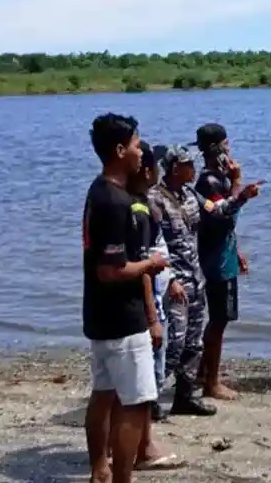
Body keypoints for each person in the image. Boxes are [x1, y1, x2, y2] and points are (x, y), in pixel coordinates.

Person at [81, 113, 167, 483]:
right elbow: (110, 270)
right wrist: (151, 263)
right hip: (122, 318)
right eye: (135, 144)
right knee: (133, 404)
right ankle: (121, 478)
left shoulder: (98, 190)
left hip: (99, 316)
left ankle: (100, 470)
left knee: (103, 394)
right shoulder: (115, 201)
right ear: (119, 150)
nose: (139, 151)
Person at [123, 141, 185, 471]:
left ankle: (133, 445)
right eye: (156, 165)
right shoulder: (136, 206)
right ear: (147, 170)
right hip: (144, 307)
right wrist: (152, 317)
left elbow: (155, 253)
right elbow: (143, 262)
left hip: (154, 296)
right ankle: (143, 447)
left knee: (142, 380)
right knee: (144, 381)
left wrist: (170, 278)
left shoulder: (140, 204)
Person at [147, 144, 221, 417]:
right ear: (176, 167)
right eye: (189, 164)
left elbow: (217, 211)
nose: (194, 169)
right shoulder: (155, 199)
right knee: (174, 344)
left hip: (195, 278)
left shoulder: (190, 194)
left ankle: (184, 397)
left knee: (194, 342)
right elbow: (154, 245)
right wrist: (171, 280)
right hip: (174, 282)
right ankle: (150, 398)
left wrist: (241, 195)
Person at [193, 123, 262, 400]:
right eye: (226, 145)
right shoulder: (209, 181)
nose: (229, 150)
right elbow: (223, 215)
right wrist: (238, 186)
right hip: (216, 261)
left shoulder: (215, 178)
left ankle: (202, 373)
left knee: (220, 318)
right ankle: (212, 381)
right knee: (219, 319)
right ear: (216, 149)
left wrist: (238, 253)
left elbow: (224, 226)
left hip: (223, 254)